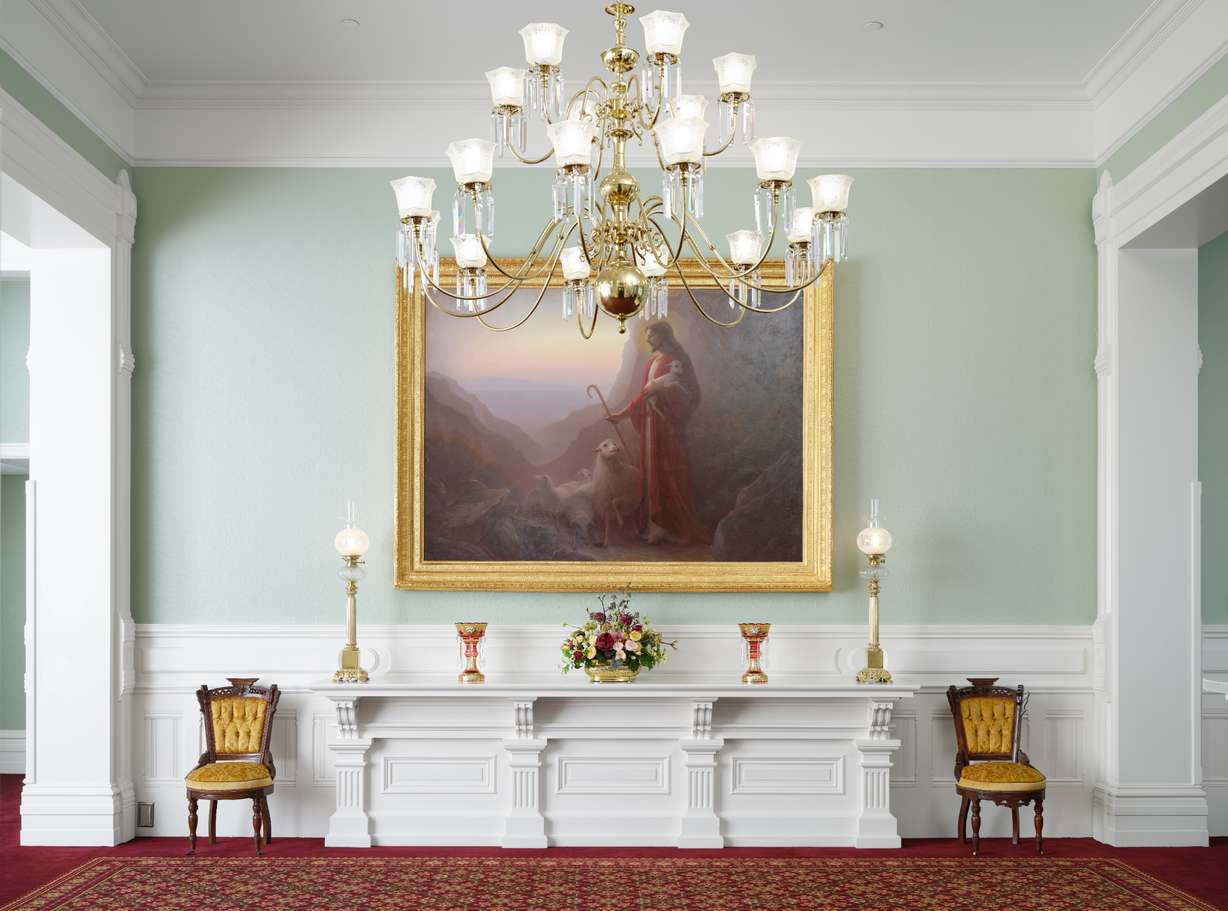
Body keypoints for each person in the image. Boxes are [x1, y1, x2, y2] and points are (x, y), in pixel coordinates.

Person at [607, 321, 709, 544]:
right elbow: (642, 396)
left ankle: (673, 527)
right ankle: (655, 526)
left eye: (652, 335)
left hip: (668, 428)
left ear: (664, 335)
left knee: (669, 474)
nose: (648, 340)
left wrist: (663, 389)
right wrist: (620, 415)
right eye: (647, 336)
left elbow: (693, 395)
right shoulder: (651, 362)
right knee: (652, 472)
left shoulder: (680, 360)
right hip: (650, 426)